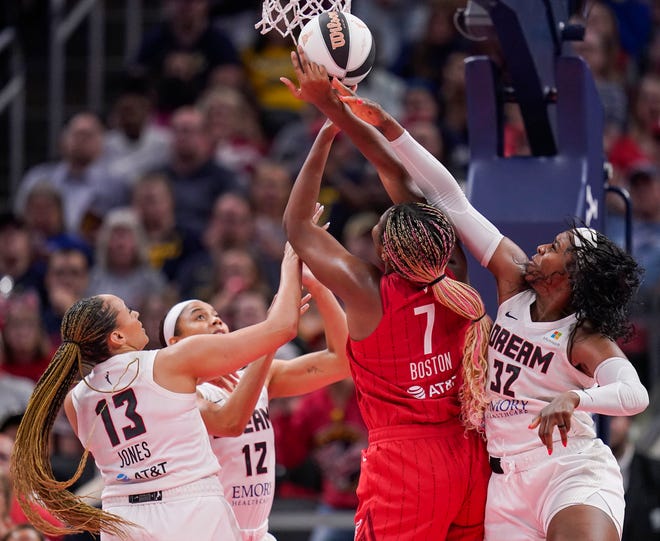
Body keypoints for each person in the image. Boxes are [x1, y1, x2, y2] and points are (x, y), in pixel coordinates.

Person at [311, 72, 651, 540]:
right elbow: (451, 199)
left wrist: (576, 397)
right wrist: (393, 129)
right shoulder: (513, 278)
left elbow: (635, 395)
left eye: (553, 247)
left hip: (568, 469)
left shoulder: (585, 337)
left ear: (566, 277)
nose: (540, 248)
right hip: (501, 481)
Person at [282, 58, 491, 540]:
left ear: (383, 253)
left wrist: (325, 133)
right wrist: (338, 112)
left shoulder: (368, 292)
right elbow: (395, 172)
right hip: (468, 452)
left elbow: (297, 228)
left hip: (406, 464)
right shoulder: (455, 275)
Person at [9, 244, 304, 540]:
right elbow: (282, 326)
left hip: (123, 519)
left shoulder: (76, 400)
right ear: (118, 336)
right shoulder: (169, 362)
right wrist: (292, 259)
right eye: (127, 310)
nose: (135, 312)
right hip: (189, 509)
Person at [160, 254, 351, 541]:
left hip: (258, 533)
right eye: (200, 317)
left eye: (216, 315)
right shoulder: (180, 393)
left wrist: (318, 285)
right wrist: (270, 336)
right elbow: (232, 421)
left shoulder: (259, 375)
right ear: (175, 344)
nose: (215, 320)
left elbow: (341, 361)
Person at [608, 415, 660, 540]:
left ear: (629, 420)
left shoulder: (654, 473)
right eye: (602, 418)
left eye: (613, 417)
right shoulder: (583, 473)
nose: (608, 425)